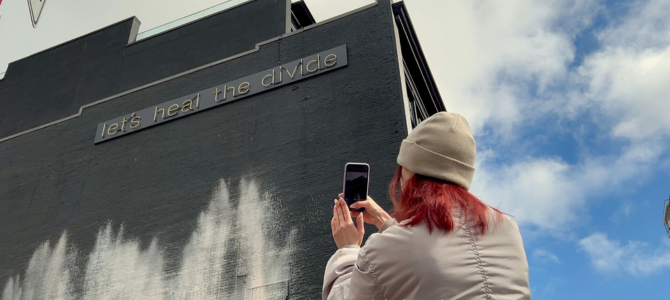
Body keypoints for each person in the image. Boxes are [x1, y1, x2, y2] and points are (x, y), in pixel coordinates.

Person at [323, 112, 531, 300]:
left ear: (410, 174)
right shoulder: (507, 229)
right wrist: (382, 221)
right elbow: (434, 251)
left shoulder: (380, 250)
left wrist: (348, 249)